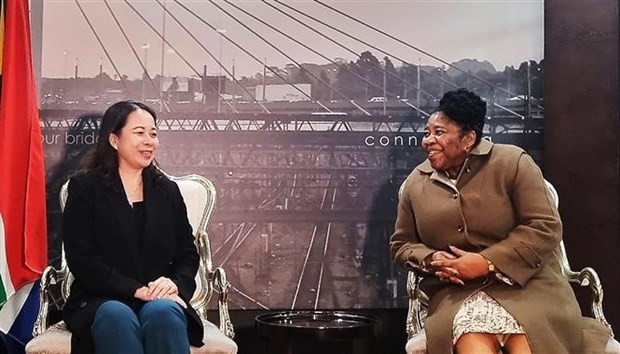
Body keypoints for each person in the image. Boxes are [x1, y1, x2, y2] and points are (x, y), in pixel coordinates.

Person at [390, 89, 611, 353]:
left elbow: (544, 227)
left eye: (439, 132)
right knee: (473, 343)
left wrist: (486, 263)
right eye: (427, 133)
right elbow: (402, 244)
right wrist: (431, 259)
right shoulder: (416, 183)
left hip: (529, 287)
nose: (428, 141)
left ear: (468, 138)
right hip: (458, 295)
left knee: (528, 344)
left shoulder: (513, 162)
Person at [62, 100, 204, 354]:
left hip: (158, 297)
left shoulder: (167, 191)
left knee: (165, 312)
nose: (149, 141)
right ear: (114, 140)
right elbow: (82, 259)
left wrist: (174, 284)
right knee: (116, 315)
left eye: (154, 133)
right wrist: (135, 290)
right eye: (139, 133)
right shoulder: (85, 189)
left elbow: (187, 253)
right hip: (101, 298)